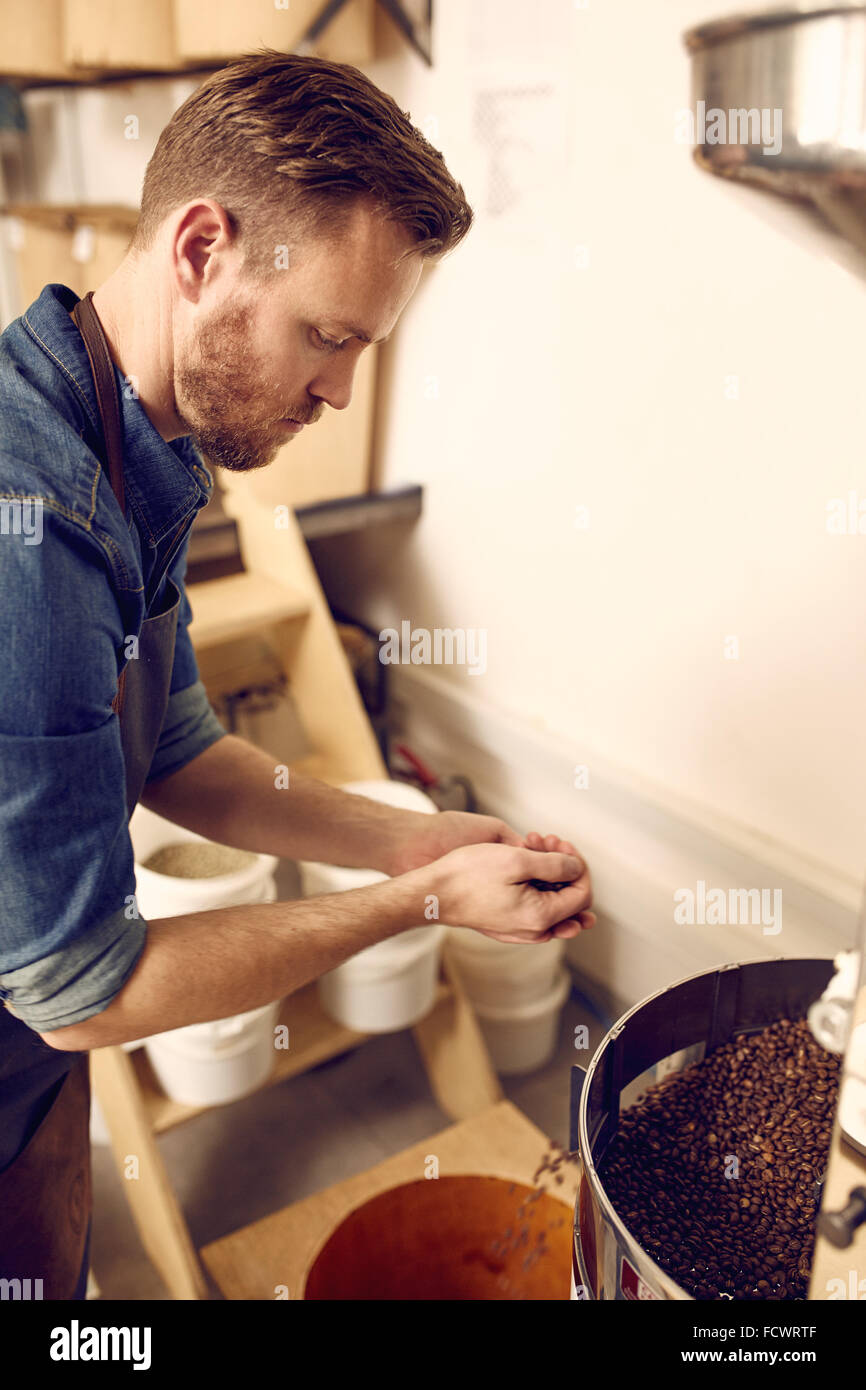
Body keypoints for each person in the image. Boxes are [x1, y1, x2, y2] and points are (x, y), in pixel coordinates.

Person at [0, 50, 594, 1300]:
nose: (338, 388)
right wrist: (416, 906)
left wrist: (411, 843)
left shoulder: (129, 442)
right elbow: (81, 993)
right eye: (327, 334)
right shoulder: (32, 523)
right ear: (202, 249)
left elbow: (175, 754)